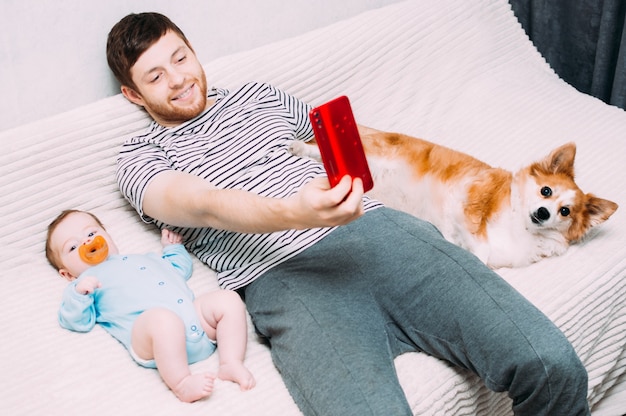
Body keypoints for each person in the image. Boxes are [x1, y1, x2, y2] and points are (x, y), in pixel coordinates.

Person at [106, 12, 590, 416]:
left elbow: (358, 142)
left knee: (551, 366)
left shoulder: (259, 96)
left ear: (192, 50)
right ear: (132, 94)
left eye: (180, 58)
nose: (178, 79)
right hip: (284, 281)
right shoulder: (139, 157)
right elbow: (201, 205)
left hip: (383, 235)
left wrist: (490, 184)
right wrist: (294, 212)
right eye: (155, 76)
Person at [46, 209, 256, 403]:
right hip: (151, 340)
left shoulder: (144, 258)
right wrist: (79, 294)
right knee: (162, 319)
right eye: (72, 247)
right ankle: (182, 383)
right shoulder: (83, 283)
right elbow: (75, 321)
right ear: (67, 274)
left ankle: (230, 362)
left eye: (91, 233)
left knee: (227, 299)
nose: (86, 242)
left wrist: (173, 249)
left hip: (194, 322)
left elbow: (179, 270)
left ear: (107, 236)